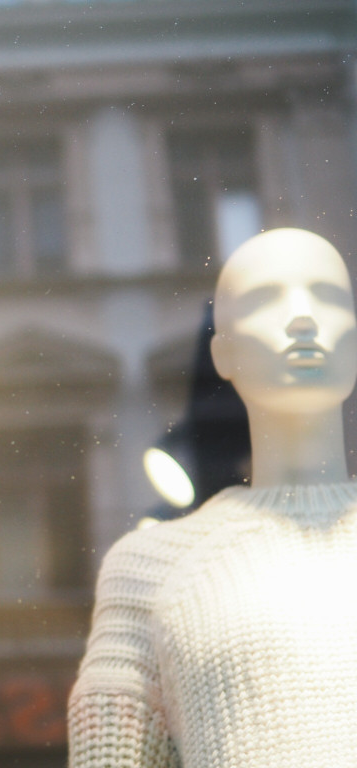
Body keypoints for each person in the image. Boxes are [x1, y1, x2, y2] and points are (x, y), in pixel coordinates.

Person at [67, 228, 357, 767]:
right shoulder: (150, 570)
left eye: (328, 297)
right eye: (266, 301)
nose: (302, 318)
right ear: (222, 354)